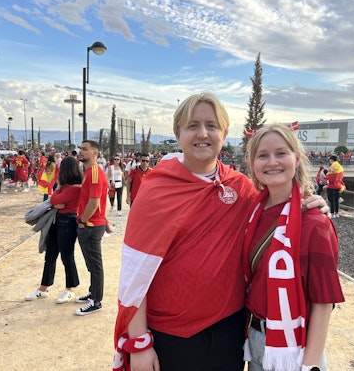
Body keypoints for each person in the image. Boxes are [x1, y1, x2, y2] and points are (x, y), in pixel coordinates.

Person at [112, 93, 328, 371]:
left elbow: (276, 207)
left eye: (212, 126)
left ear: (224, 134)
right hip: (171, 335)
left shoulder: (240, 187)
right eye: (193, 125)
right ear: (178, 134)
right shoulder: (156, 190)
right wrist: (139, 342)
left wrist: (310, 203)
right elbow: (135, 274)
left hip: (229, 331)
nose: (203, 133)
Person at [242, 124, 345, 371]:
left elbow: (323, 304)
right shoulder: (249, 214)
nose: (272, 162)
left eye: (281, 153)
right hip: (253, 340)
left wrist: (310, 366)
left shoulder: (314, 222)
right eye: (263, 155)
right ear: (253, 164)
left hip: (294, 348)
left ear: (296, 159)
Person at [25, 156, 83, 304]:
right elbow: (55, 200)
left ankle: (70, 289)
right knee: (50, 255)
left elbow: (53, 200)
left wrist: (57, 191)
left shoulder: (75, 188)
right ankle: (43, 288)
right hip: (57, 220)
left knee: (66, 256)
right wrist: (57, 194)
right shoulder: (66, 187)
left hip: (68, 222)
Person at [75, 140, 110, 316]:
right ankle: (93, 291)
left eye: (85, 149)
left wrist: (82, 219)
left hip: (90, 225)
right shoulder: (89, 172)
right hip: (89, 224)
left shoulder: (94, 173)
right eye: (80, 149)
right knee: (91, 264)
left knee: (95, 265)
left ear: (94, 153)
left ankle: (96, 301)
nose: (80, 152)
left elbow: (95, 201)